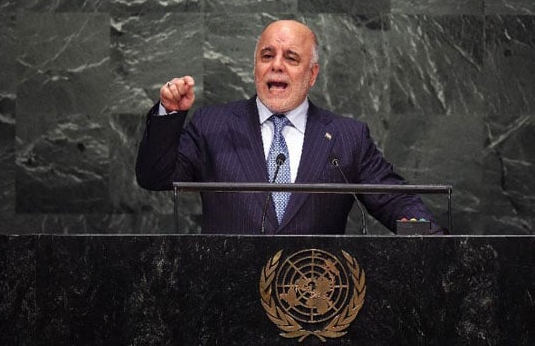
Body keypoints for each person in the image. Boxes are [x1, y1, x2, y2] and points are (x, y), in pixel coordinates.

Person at [136, 19, 439, 234]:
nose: (276, 65)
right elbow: (155, 177)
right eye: (267, 56)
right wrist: (169, 114)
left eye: (291, 58)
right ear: (256, 66)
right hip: (226, 302)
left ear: (312, 74)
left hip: (313, 305)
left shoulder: (348, 137)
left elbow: (395, 199)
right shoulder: (211, 125)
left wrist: (435, 239)